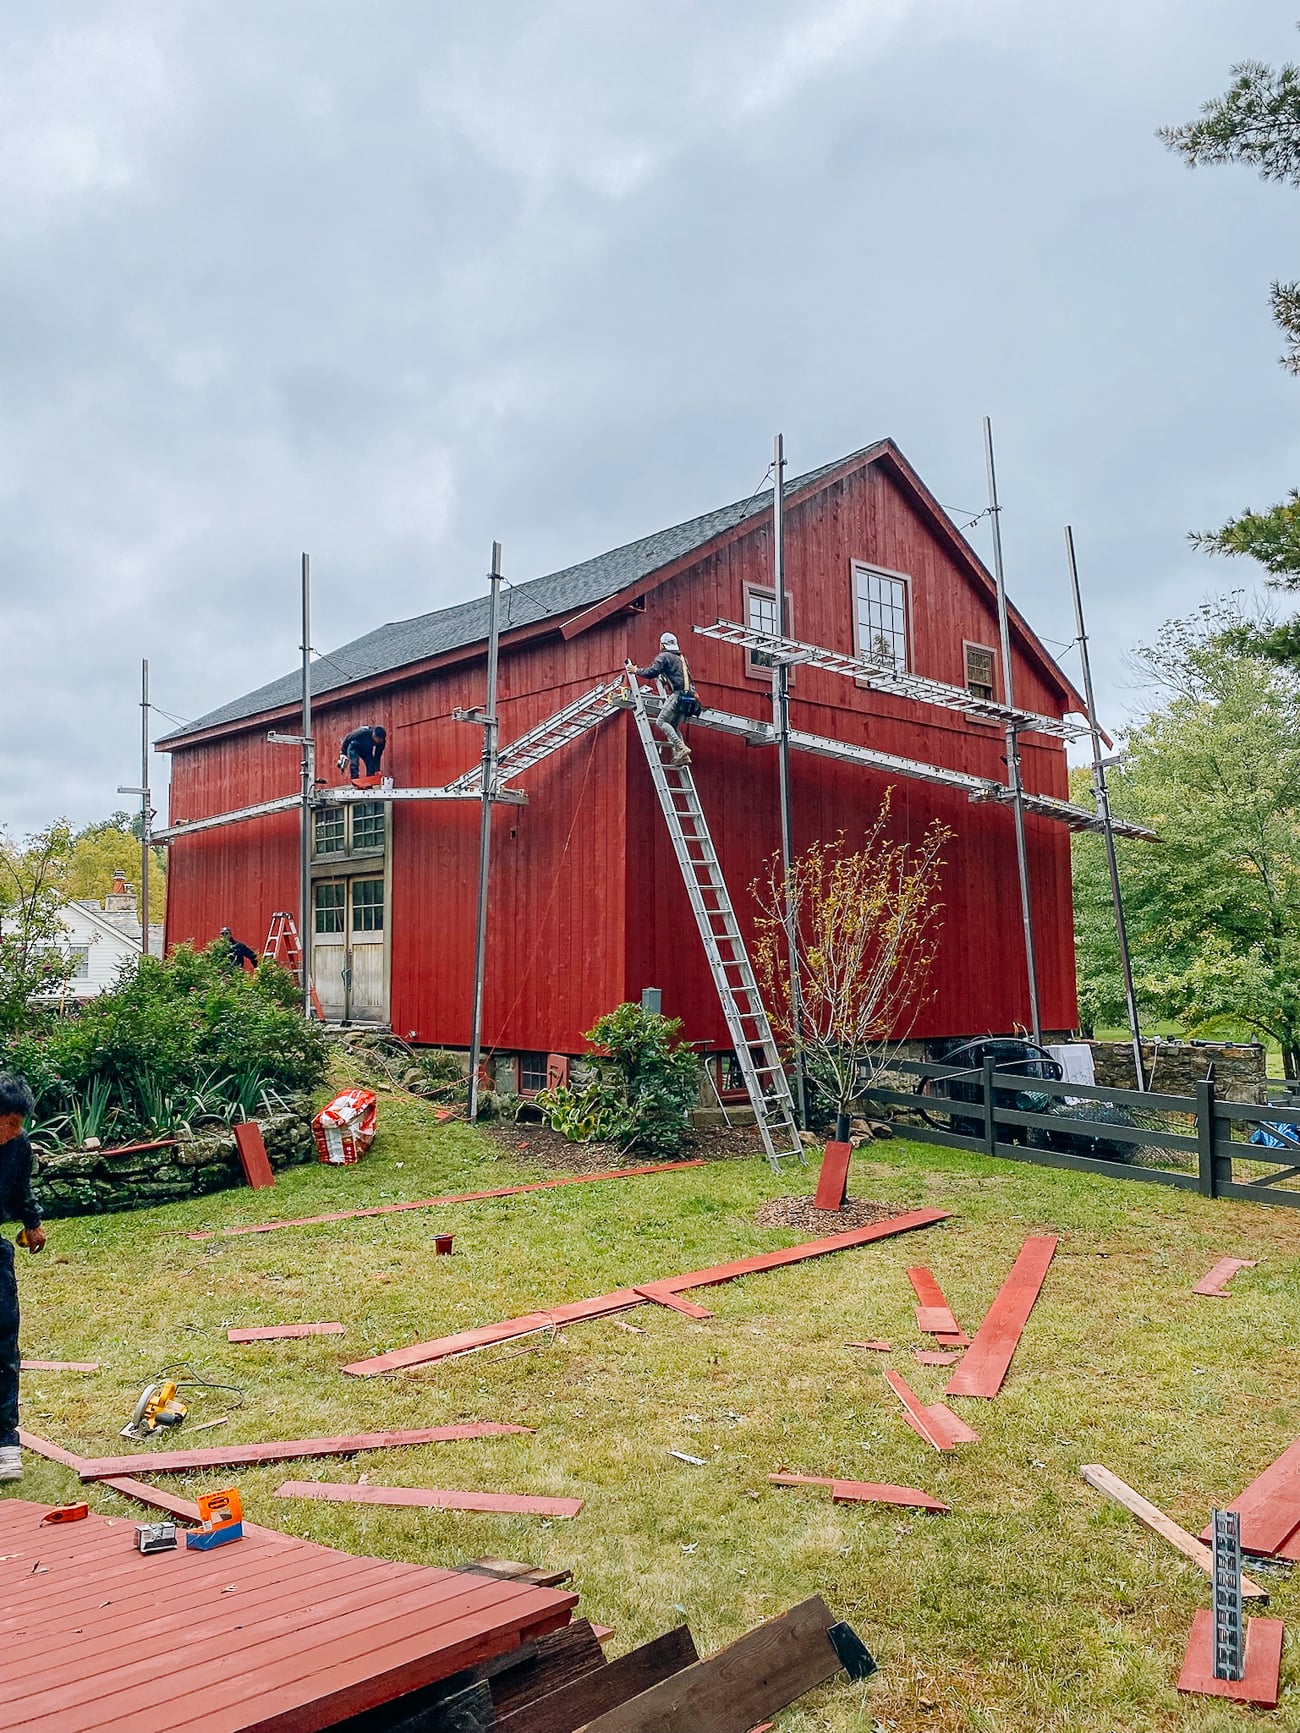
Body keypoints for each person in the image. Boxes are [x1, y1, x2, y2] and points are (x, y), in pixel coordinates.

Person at [0, 1073, 45, 1482]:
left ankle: (5, 1442)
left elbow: (19, 1190)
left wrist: (32, 1223)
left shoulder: (18, 1147)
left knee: (3, 1342)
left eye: (18, 1124)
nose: (13, 1132)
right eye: (6, 1123)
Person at [632, 632, 699, 766]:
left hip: (678, 696)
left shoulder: (664, 657)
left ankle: (680, 747)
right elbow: (685, 677)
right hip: (690, 698)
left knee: (661, 721)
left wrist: (636, 670)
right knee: (673, 725)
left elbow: (652, 672)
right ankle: (683, 757)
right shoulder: (682, 659)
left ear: (662, 644)